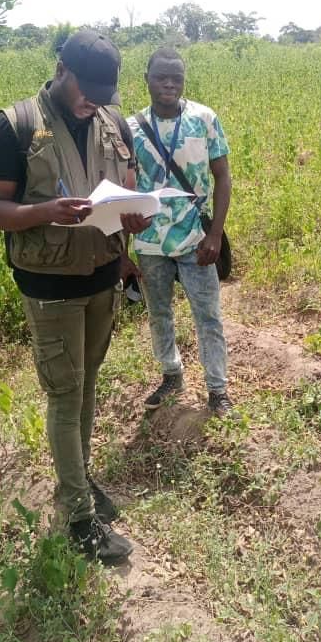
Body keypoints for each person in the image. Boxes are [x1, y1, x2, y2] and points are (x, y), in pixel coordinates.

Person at [0, 30, 150, 566]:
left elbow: (125, 184)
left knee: (87, 385)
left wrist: (135, 216)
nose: (93, 100)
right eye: (86, 88)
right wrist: (44, 211)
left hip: (101, 274)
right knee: (64, 392)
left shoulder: (112, 123)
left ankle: (76, 480)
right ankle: (79, 517)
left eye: (104, 91)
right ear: (61, 69)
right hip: (50, 285)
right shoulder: (14, 127)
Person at [127, 47, 234, 416]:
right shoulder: (130, 128)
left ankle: (217, 389)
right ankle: (171, 373)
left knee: (209, 315)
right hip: (150, 241)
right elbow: (125, 186)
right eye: (161, 76)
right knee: (159, 313)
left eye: (176, 77)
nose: (169, 84)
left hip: (196, 239)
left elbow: (222, 176)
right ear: (147, 79)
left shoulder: (204, 118)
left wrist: (215, 234)